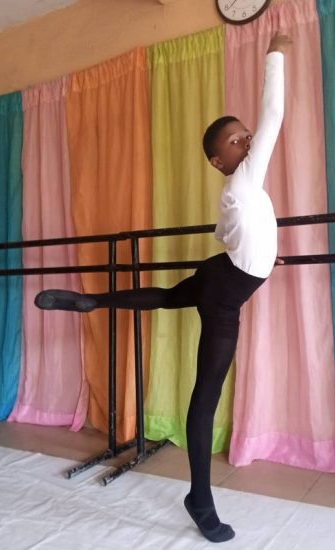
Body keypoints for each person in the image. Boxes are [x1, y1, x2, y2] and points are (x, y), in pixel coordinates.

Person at [35, 30, 292, 543]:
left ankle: (93, 300)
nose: (247, 141)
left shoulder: (241, 192)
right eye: (236, 140)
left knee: (171, 297)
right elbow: (274, 114)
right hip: (226, 292)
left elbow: (237, 234)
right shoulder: (243, 181)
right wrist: (277, 53)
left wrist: (265, 257)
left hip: (223, 272)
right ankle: (200, 498)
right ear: (219, 162)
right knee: (205, 397)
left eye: (245, 135)